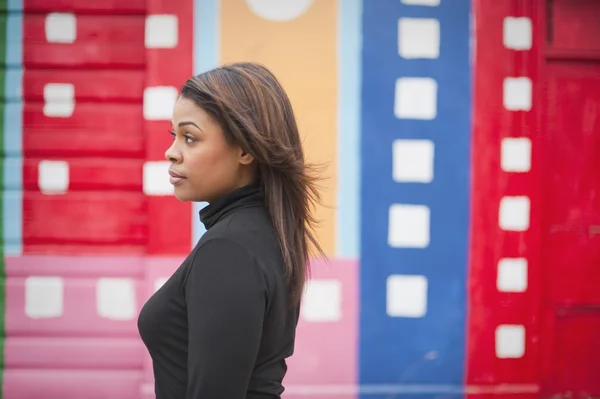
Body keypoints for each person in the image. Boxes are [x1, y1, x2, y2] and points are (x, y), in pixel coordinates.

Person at [137, 62, 325, 399]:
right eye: (174, 136)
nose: (171, 152)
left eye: (190, 138)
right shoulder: (264, 233)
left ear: (245, 149)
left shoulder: (229, 249)